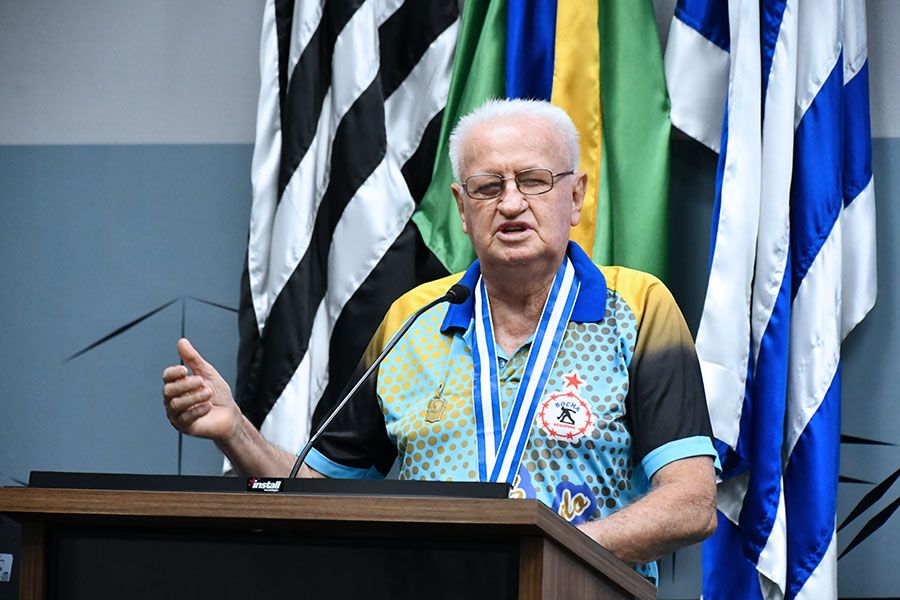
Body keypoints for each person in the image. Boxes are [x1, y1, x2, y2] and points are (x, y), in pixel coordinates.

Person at [162, 99, 718, 583]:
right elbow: (317, 492)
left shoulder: (638, 309)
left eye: (533, 181)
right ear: (462, 208)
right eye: (488, 187)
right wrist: (234, 430)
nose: (510, 203)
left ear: (575, 197)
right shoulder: (412, 319)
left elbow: (691, 504)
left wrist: (547, 549)